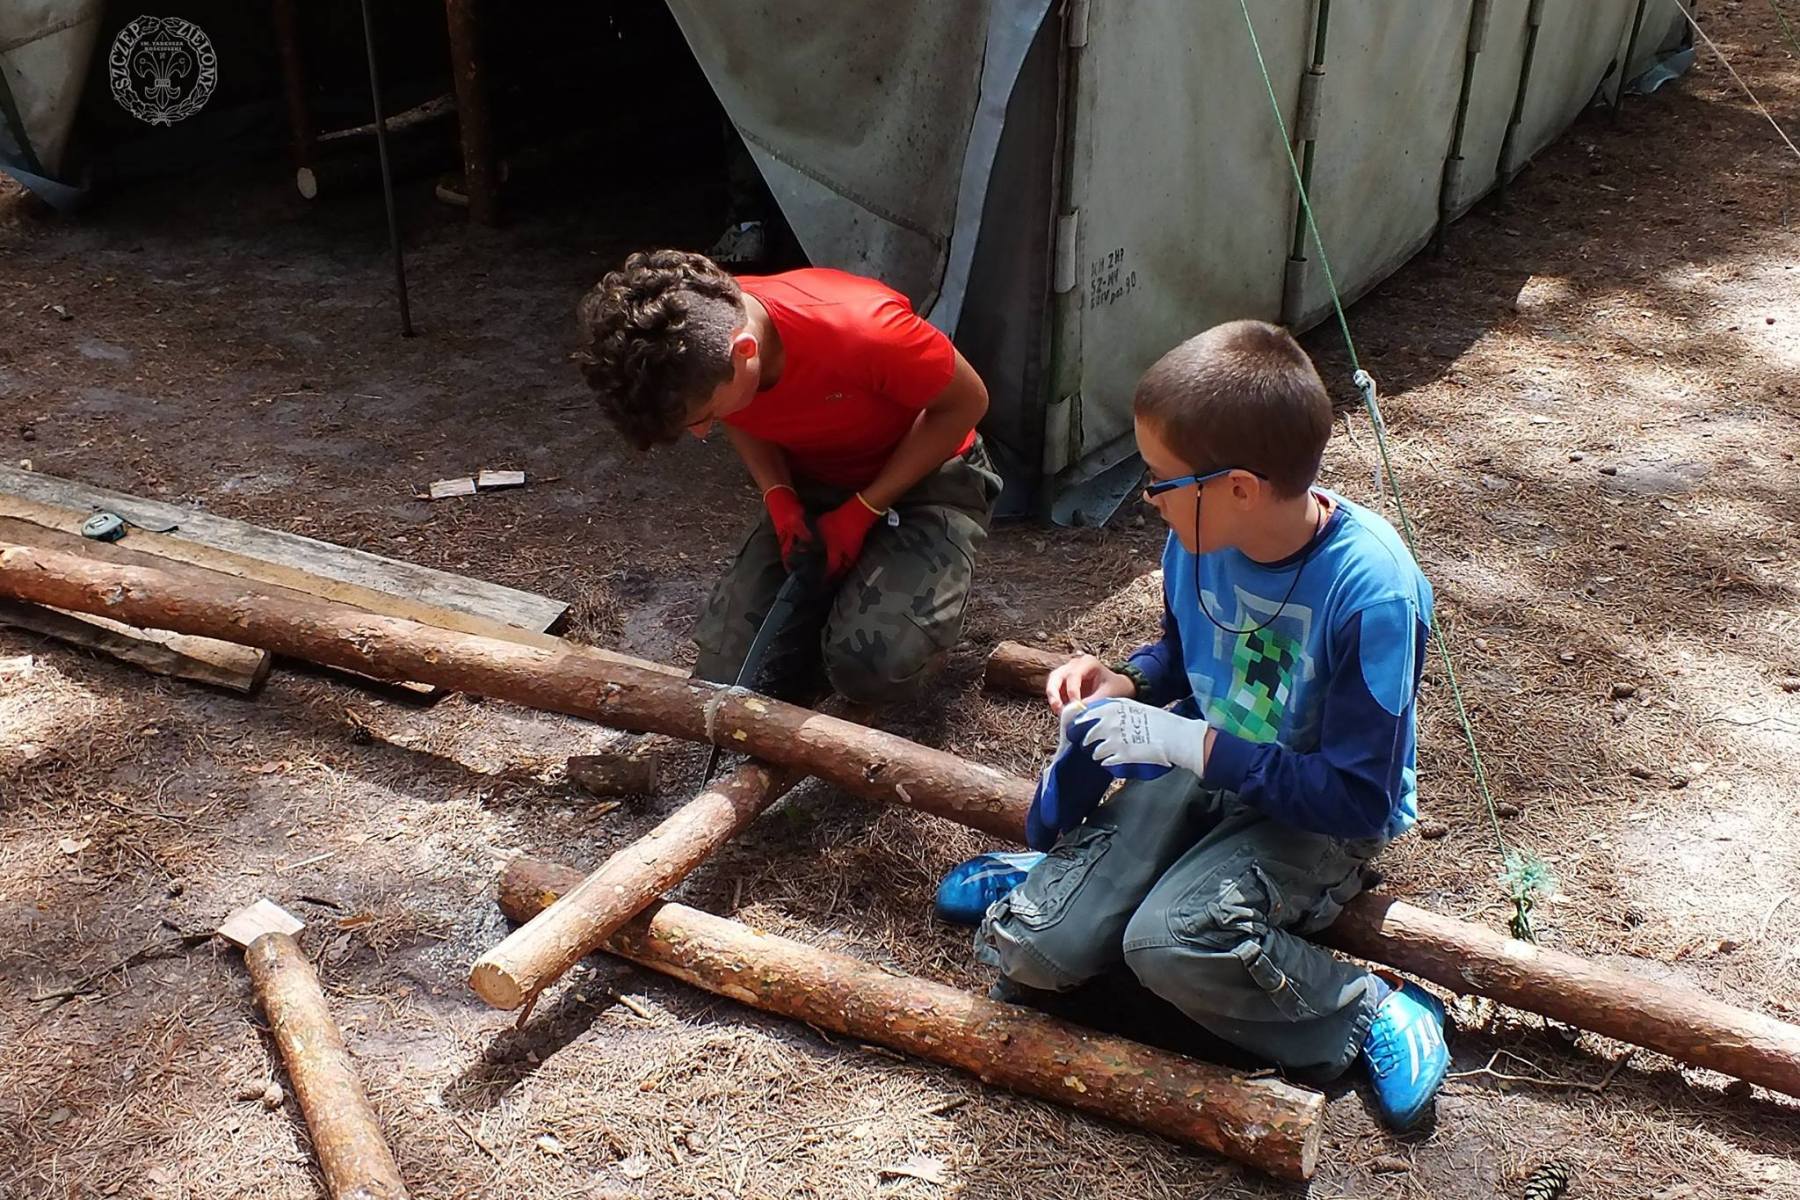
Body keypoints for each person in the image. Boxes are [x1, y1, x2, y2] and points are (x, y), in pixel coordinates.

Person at [955, 319, 1449, 1131]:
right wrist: (1130, 679)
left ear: (1240, 488)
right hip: (1210, 763)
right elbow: (1189, 657)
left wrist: (1194, 744)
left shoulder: (1373, 592)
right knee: (1039, 951)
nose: (1148, 498)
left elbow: (1358, 796)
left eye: (1160, 480)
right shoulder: (1201, 534)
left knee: (1171, 946)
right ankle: (1073, 886)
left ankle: (1366, 1008)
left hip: (1313, 819)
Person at [573, 249, 1000, 706]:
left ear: (745, 352)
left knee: (872, 667)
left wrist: (863, 510)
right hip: (816, 479)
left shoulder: (863, 329)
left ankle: (898, 609)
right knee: (725, 673)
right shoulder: (704, 333)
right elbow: (743, 415)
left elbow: (968, 402)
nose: (702, 432)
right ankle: (840, 603)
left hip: (928, 481)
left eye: (707, 416)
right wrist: (778, 494)